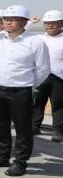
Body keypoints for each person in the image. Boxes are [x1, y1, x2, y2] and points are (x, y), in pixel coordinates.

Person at [0, 5, 50, 176]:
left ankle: (20, 162)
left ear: (24, 22)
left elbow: (43, 69)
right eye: (6, 19)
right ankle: (2, 156)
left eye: (13, 20)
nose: (8, 23)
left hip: (20, 91)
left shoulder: (35, 41)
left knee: (22, 129)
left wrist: (29, 85)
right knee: (1, 126)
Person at [33, 10, 63, 142]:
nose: (50, 25)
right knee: (37, 103)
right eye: (47, 23)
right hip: (41, 76)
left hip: (59, 77)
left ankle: (58, 131)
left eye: (53, 23)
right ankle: (34, 126)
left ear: (60, 24)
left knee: (58, 105)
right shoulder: (39, 39)